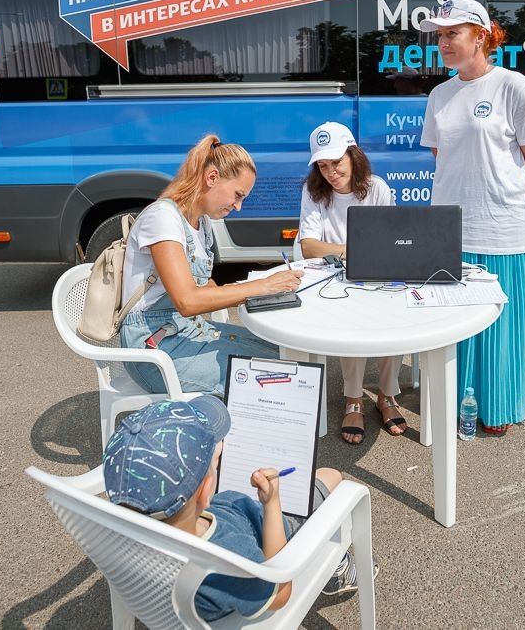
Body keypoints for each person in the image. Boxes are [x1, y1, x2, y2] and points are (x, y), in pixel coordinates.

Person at [103, 398, 366, 623]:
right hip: (267, 533)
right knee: (330, 477)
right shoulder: (228, 558)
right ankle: (338, 567)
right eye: (216, 459)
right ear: (206, 492)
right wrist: (272, 503)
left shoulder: (116, 535)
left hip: (225, 521)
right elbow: (279, 592)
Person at [418, 0, 525, 435]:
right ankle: (457, 403)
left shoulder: (513, 86)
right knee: (456, 324)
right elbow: (444, 155)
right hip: (450, 227)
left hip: (502, 229)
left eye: (452, 33)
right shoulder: (440, 95)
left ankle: (497, 409)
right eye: (439, 35)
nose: (443, 42)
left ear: (481, 35)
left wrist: (508, 200)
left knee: (499, 327)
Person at [119, 134, 303, 396]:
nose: (238, 207)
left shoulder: (201, 222)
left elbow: (206, 286)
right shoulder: (162, 218)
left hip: (187, 331)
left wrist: (268, 294)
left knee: (283, 352)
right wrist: (260, 287)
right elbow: (188, 301)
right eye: (238, 195)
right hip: (154, 351)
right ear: (212, 177)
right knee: (275, 374)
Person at [297, 121, 407, 444]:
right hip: (332, 281)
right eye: (323, 165)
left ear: (353, 155)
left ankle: (387, 394)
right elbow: (308, 246)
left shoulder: (378, 189)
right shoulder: (314, 192)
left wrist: (361, 253)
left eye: (336, 162)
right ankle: (353, 397)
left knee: (395, 313)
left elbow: (391, 240)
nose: (330, 171)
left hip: (377, 275)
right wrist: (353, 250)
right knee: (350, 315)